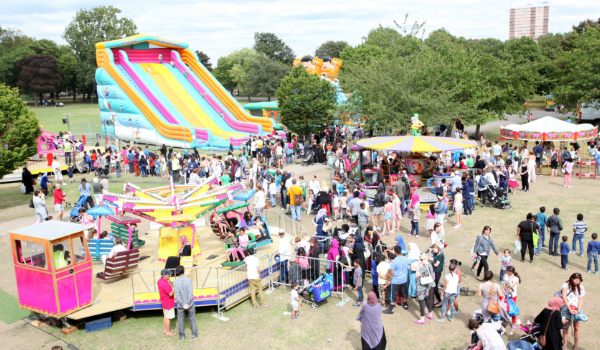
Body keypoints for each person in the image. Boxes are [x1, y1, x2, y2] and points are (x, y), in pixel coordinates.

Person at [173, 265, 198, 341]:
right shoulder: (189, 280)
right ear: (184, 271)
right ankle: (194, 335)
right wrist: (187, 303)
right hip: (190, 304)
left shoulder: (175, 282)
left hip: (181, 305)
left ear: (177, 272)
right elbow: (191, 293)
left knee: (180, 320)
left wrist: (183, 304)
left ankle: (182, 336)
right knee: (192, 318)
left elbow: (177, 294)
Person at [561, 273, 585, 349]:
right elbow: (564, 298)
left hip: (577, 309)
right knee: (565, 326)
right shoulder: (565, 285)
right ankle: (565, 344)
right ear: (572, 278)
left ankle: (576, 344)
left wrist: (578, 310)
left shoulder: (581, 287)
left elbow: (581, 300)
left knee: (577, 327)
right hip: (566, 308)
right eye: (576, 280)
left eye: (579, 281)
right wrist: (570, 309)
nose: (578, 282)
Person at [382, 245, 409, 314]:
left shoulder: (394, 261)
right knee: (403, 292)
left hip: (396, 280)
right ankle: (405, 304)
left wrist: (389, 281)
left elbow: (391, 272)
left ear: (395, 251)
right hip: (404, 279)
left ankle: (391, 309)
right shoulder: (405, 259)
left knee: (393, 294)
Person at [413, 253, 434, 325]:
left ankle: (422, 319)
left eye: (422, 259)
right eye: (420, 259)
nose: (421, 261)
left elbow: (417, 276)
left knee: (421, 301)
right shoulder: (430, 265)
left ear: (426, 259)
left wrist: (418, 267)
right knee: (427, 299)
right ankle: (430, 314)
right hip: (427, 285)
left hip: (421, 286)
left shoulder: (423, 267)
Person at [157, 269, 177, 337]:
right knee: (168, 317)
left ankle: (165, 330)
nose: (169, 276)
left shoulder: (159, 281)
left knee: (165, 316)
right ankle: (168, 332)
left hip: (164, 301)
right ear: (165, 275)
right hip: (168, 302)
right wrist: (174, 289)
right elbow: (170, 294)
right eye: (168, 274)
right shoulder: (165, 283)